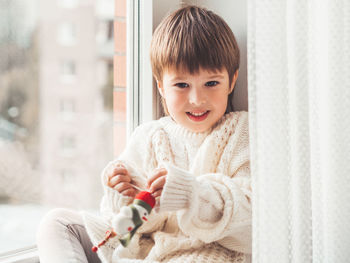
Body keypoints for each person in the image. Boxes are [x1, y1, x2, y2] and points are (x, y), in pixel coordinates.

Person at [37, 5, 251, 263]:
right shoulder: (150, 136)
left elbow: (251, 229)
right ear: (161, 86)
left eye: (212, 83)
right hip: (142, 253)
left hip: (204, 257)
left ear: (232, 80)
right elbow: (124, 229)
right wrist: (123, 196)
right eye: (182, 85)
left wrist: (191, 194)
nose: (196, 99)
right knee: (57, 223)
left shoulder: (242, 132)